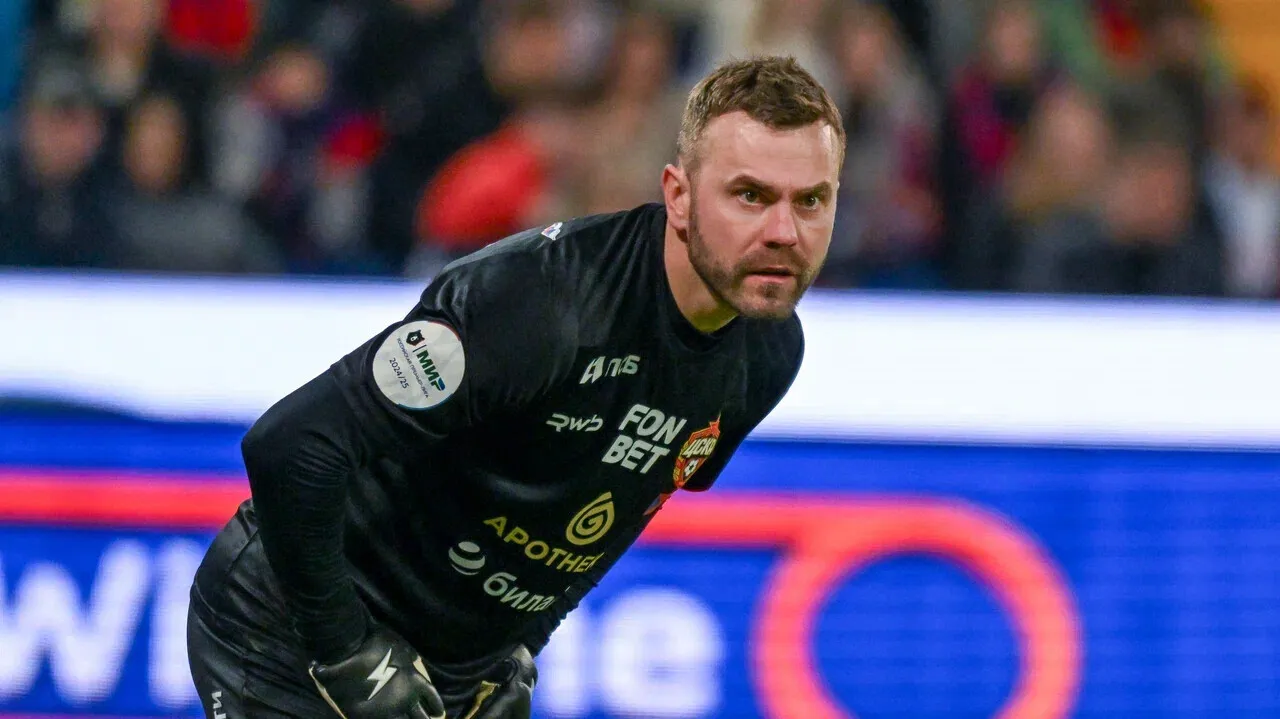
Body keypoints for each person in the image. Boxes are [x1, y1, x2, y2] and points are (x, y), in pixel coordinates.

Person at [186, 55, 844, 719]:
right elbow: (291, 445)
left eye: (811, 200)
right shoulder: (541, 303)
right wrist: (346, 651)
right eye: (750, 196)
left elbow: (611, 515)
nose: (783, 233)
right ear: (679, 196)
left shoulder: (768, 354)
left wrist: (523, 644)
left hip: (440, 671)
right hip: (284, 633)